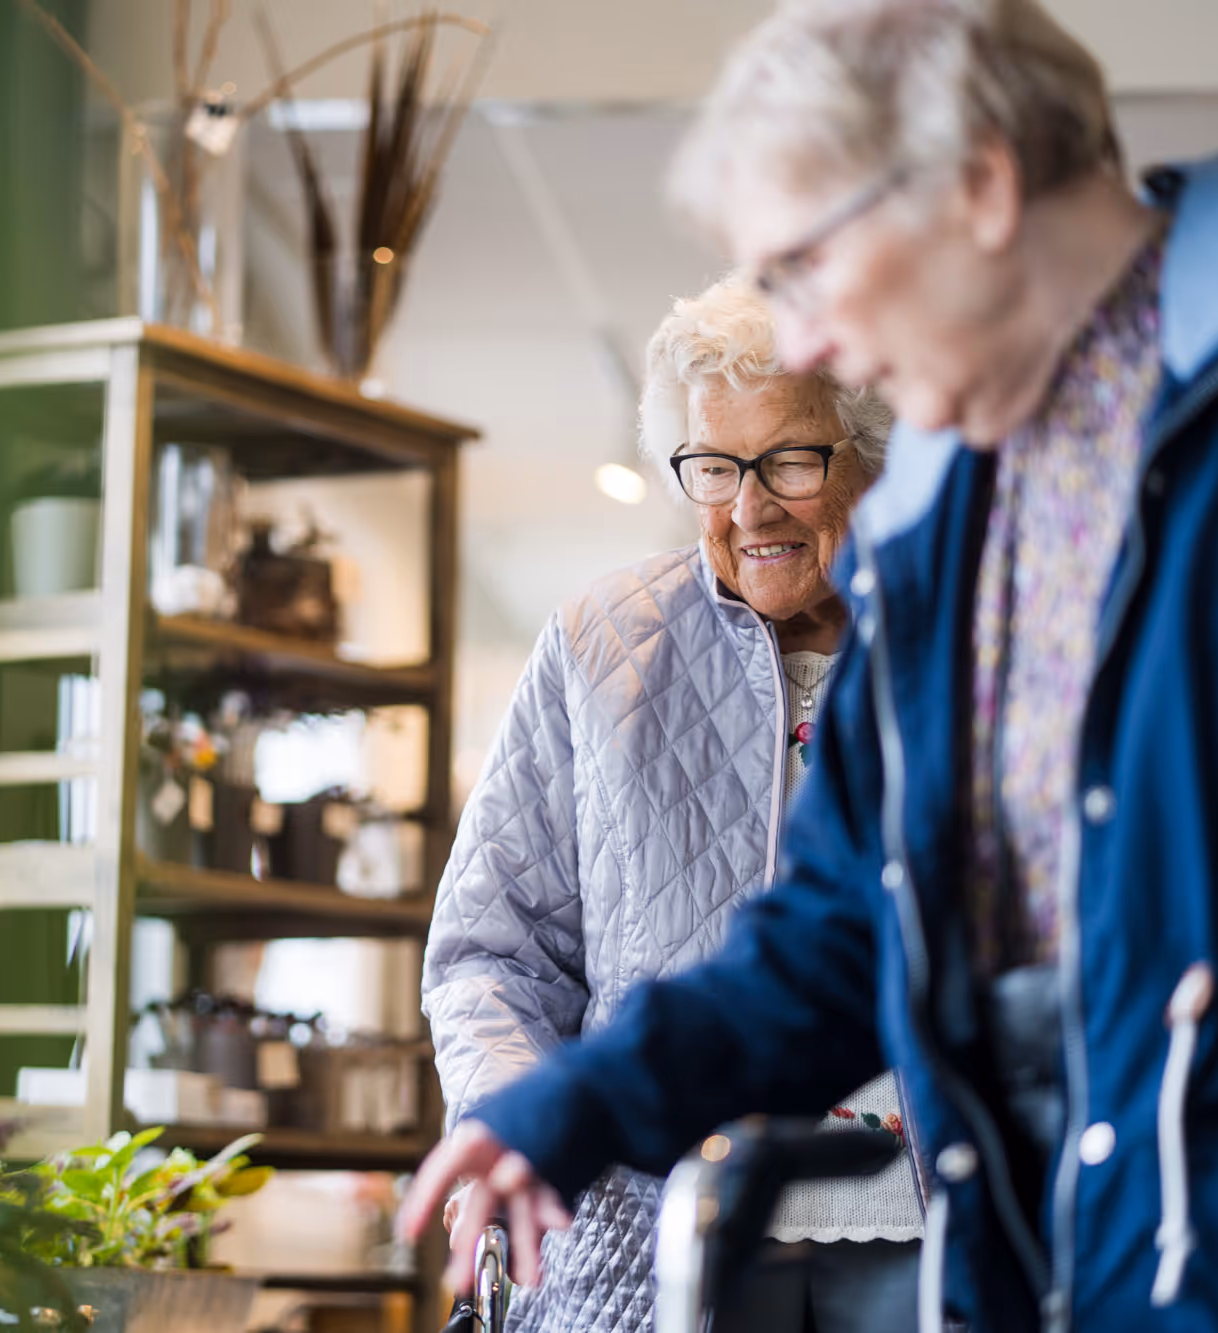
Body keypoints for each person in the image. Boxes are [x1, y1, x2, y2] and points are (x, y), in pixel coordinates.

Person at [401, 2, 1218, 1331]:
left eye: (807, 265)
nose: (804, 341)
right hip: (1080, 1275)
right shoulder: (942, 520)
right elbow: (842, 927)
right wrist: (570, 1106)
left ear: (980, 185)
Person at [421, 274, 919, 1333]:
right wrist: (519, 1122)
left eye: (788, 457)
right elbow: (489, 953)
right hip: (655, 1238)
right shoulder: (597, 646)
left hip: (921, 1236)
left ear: (866, 450)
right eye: (711, 466)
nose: (748, 506)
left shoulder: (951, 638)